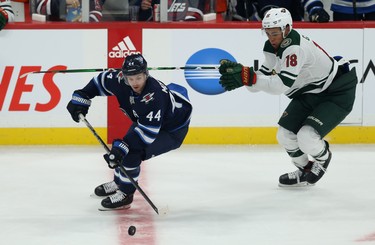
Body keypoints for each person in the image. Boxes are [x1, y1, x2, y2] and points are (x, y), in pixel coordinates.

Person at [219, 8, 358, 187]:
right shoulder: (271, 47)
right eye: (267, 33)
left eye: (275, 33)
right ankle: (304, 170)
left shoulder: (294, 47)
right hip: (311, 92)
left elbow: (278, 86)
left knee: (307, 137)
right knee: (285, 135)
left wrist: (250, 78)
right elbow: (259, 82)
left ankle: (323, 158)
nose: (271, 37)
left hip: (336, 91)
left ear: (286, 29)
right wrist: (244, 76)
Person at [66, 54, 192, 210]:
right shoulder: (119, 79)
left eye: (139, 78)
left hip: (172, 130)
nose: (135, 83)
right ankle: (120, 181)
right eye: (130, 78)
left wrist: (121, 149)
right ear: (124, 76)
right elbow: (100, 82)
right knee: (123, 148)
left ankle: (126, 194)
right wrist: (82, 97)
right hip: (148, 122)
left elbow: (147, 134)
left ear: (146, 74)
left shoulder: (154, 96)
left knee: (130, 152)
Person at [227, 0, 330, 22]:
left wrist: (316, 10)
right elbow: (246, 14)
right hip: (261, 31)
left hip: (292, 29)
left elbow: (309, 1)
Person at [36, 0, 104, 22]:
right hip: (54, 31)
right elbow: (40, 7)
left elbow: (97, 15)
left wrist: (79, 20)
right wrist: (63, 2)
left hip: (81, 35)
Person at [137, 0, 206, 21]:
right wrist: (144, 9)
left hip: (187, 32)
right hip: (159, 33)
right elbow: (144, 20)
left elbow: (197, 16)